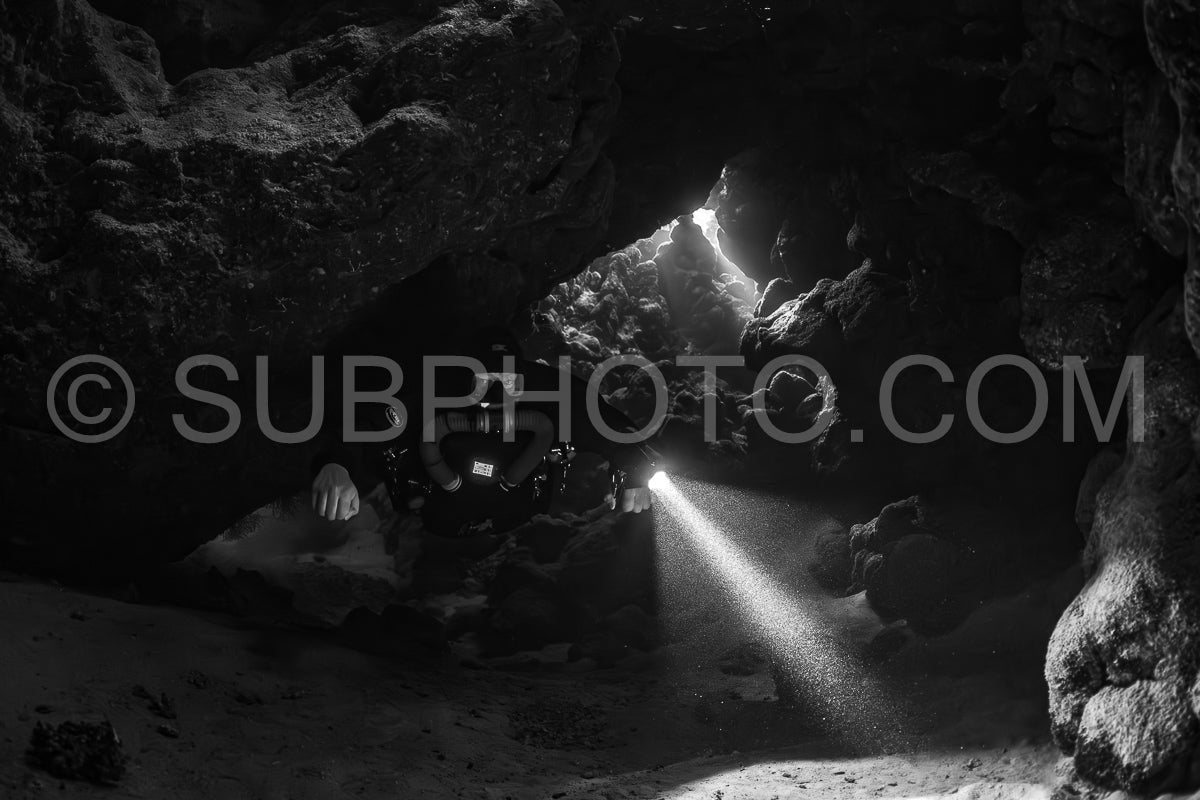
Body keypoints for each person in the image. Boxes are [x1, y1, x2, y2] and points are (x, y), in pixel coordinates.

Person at [310, 326, 655, 536]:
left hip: (515, 514)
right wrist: (337, 465)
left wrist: (634, 465)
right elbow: (365, 423)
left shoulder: (547, 393)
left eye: (506, 379)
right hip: (436, 514)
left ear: (522, 376)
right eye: (481, 380)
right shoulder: (427, 390)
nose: (492, 392)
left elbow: (602, 420)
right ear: (459, 375)